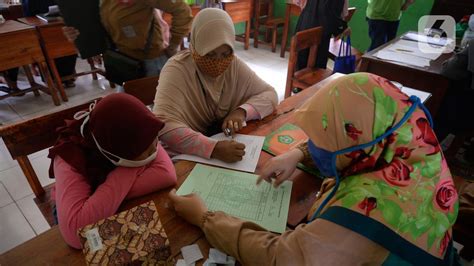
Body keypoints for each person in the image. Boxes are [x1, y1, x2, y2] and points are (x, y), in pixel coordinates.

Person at [169, 73, 459, 265]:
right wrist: (298, 153)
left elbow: (283, 258)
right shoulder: (410, 139)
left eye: (321, 141)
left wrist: (205, 218)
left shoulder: (366, 213)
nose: (315, 145)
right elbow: (345, 144)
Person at [48, 93, 177, 249]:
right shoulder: (69, 156)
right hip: (69, 207)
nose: (154, 150)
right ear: (119, 155)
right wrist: (132, 169)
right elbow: (76, 235)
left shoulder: (133, 129)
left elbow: (166, 174)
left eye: (154, 140)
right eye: (145, 151)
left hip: (100, 199)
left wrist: (100, 199)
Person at [153, 8, 278, 163]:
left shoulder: (233, 64)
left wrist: (241, 112)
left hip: (218, 141)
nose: (218, 63)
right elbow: (163, 126)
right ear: (196, 46)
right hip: (182, 154)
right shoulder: (177, 69)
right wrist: (213, 148)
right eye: (210, 54)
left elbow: (270, 94)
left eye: (225, 54)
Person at [62, 0, 192, 76]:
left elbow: (182, 10)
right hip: (124, 61)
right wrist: (78, 35)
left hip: (152, 61)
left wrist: (174, 44)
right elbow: (101, 24)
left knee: (159, 115)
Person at [435, 40, 474, 162]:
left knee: (446, 118)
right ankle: (447, 150)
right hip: (463, 92)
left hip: (463, 95)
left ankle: (430, 149)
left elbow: (448, 70)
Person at [294, 0, 350, 70]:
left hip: (306, 24)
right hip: (320, 30)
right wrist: (342, 29)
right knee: (315, 64)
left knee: (301, 62)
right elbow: (337, 14)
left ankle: (298, 76)